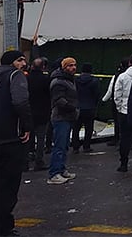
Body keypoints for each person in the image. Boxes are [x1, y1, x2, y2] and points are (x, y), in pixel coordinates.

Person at [0, 50, 32, 236]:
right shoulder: (15, 76)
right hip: (10, 139)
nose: (23, 64)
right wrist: (26, 125)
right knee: (7, 186)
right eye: (20, 60)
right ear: (11, 63)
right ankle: (2, 227)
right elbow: (20, 102)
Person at [48, 57, 78, 185]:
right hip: (61, 117)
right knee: (59, 146)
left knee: (64, 145)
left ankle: (61, 169)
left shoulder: (69, 80)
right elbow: (58, 100)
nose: (73, 68)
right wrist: (72, 108)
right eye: (70, 65)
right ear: (64, 67)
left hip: (67, 116)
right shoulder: (59, 82)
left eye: (74, 65)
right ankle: (54, 173)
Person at [26, 57, 50, 171]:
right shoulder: (46, 79)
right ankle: (39, 161)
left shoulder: (26, 78)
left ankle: (26, 160)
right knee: (41, 139)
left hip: (29, 112)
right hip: (42, 112)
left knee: (28, 137)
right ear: (43, 67)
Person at [72, 63, 100, 153]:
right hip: (90, 107)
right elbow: (96, 95)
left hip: (78, 106)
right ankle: (86, 146)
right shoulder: (94, 81)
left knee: (76, 128)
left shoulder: (76, 80)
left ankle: (75, 147)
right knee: (89, 128)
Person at [102, 59, 130, 147]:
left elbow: (112, 89)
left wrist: (104, 100)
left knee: (118, 122)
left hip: (118, 103)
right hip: (129, 103)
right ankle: (129, 141)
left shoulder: (118, 76)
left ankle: (117, 139)